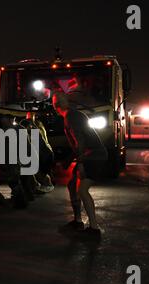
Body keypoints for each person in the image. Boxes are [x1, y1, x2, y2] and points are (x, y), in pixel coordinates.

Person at [53, 91, 108, 239]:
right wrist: (68, 161)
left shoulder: (71, 117)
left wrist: (81, 163)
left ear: (56, 106)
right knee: (72, 185)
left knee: (82, 190)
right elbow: (77, 144)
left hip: (94, 155)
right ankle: (78, 220)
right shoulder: (72, 116)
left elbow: (80, 142)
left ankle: (94, 228)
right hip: (91, 154)